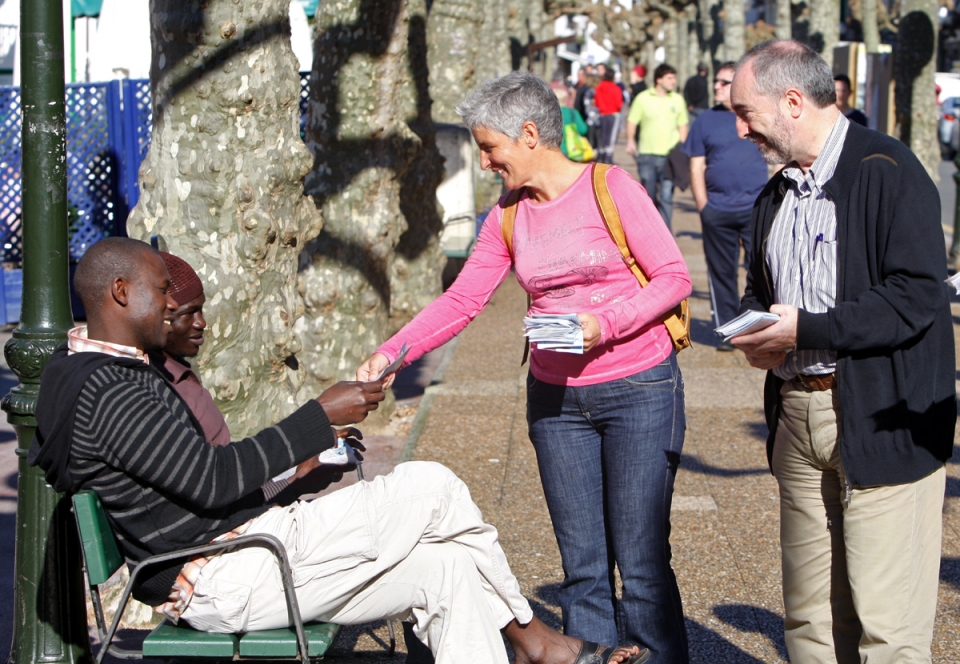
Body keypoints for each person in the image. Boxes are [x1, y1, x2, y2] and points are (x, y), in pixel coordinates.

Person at [28, 237, 648, 664]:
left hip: (242, 554)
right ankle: (537, 642)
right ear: (119, 292)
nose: (171, 303)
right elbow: (211, 480)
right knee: (432, 486)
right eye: (162, 289)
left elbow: (195, 483)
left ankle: (537, 646)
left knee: (448, 568)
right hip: (229, 571)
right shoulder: (110, 389)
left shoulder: (107, 373)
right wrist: (317, 418)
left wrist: (299, 470)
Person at [358, 71, 692, 663]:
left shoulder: (612, 188)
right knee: (582, 567)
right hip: (557, 404)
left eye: (491, 147)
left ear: (530, 134)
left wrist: (605, 323)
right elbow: (462, 300)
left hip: (639, 388)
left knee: (641, 564)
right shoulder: (507, 216)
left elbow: (673, 277)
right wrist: (393, 353)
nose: (486, 162)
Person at [730, 40, 955, 663]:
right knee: (811, 623)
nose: (741, 129)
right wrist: (758, 333)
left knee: (888, 628)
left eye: (746, 112)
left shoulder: (888, 169)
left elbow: (917, 297)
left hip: (883, 418)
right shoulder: (775, 193)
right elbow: (761, 291)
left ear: (792, 102)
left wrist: (806, 329)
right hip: (797, 417)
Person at [153, 250, 354, 503]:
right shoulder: (152, 391)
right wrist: (294, 480)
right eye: (188, 313)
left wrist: (306, 457)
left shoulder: (176, 371)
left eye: (201, 310)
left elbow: (225, 472)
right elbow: (213, 488)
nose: (201, 323)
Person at [682, 62, 769, 351]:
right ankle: (729, 333)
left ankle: (761, 329)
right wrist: (704, 207)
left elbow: (777, 159)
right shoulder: (705, 121)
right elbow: (696, 166)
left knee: (762, 269)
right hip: (717, 210)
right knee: (721, 273)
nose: (717, 87)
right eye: (716, 82)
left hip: (756, 208)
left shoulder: (759, 115)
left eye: (724, 82)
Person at [626, 64, 689, 229]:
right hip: (647, 155)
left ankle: (666, 232)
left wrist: (681, 148)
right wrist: (630, 141)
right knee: (649, 196)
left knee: (667, 196)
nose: (673, 81)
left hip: (670, 156)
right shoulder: (643, 98)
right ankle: (651, 231)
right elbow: (632, 121)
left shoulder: (677, 99)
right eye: (670, 78)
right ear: (658, 79)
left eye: (674, 78)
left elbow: (683, 124)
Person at [593, 68, 624, 163]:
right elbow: (619, 104)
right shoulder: (616, 88)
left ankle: (601, 156)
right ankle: (608, 157)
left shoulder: (599, 87)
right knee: (611, 137)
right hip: (613, 114)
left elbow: (596, 102)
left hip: (602, 114)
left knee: (603, 136)